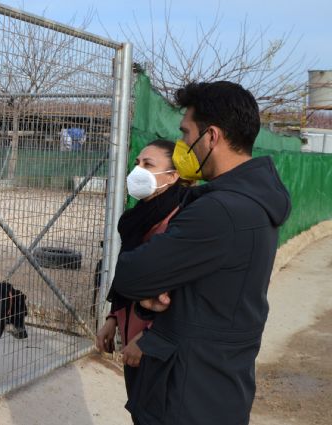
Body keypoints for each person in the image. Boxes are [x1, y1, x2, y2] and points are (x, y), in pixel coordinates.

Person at [111, 81, 291, 425]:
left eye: (185, 133)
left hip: (186, 391)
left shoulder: (219, 210)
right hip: (219, 383)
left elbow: (130, 275)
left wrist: (151, 291)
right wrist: (159, 292)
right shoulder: (258, 200)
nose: (181, 144)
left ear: (211, 136)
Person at [96, 139, 187, 425]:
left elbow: (181, 294)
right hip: (131, 331)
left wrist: (149, 338)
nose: (138, 170)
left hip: (157, 342)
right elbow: (129, 275)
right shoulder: (137, 218)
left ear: (173, 176)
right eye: (137, 163)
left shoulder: (179, 221)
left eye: (149, 164)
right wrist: (114, 316)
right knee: (139, 408)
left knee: (155, 413)